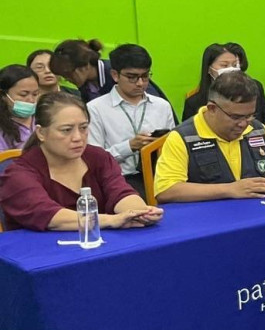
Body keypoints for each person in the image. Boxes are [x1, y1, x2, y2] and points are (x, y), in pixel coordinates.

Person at [0, 93, 163, 231]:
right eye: (66, 130)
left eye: (83, 128)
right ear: (41, 133)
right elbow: (48, 215)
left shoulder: (98, 157)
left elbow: (120, 192)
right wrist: (112, 220)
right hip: (40, 252)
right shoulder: (18, 174)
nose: (78, 137)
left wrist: (139, 212)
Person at [155, 71, 265, 203]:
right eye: (235, 117)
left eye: (249, 115)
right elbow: (166, 190)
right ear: (212, 109)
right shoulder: (183, 137)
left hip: (255, 212)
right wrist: (230, 189)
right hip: (207, 217)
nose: (243, 124)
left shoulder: (257, 130)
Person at [86, 45, 178, 196]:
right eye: (132, 77)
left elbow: (174, 148)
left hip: (159, 178)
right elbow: (94, 159)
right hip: (117, 181)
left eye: (145, 76)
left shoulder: (162, 106)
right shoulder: (95, 108)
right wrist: (129, 146)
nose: (140, 83)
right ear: (115, 75)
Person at [182, 43, 265, 123]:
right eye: (224, 65)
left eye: (235, 65)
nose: (231, 69)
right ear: (209, 68)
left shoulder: (255, 87)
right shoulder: (193, 103)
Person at [0, 65, 39, 152]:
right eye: (23, 95)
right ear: (3, 95)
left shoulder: (43, 117)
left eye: (35, 94)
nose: (31, 100)